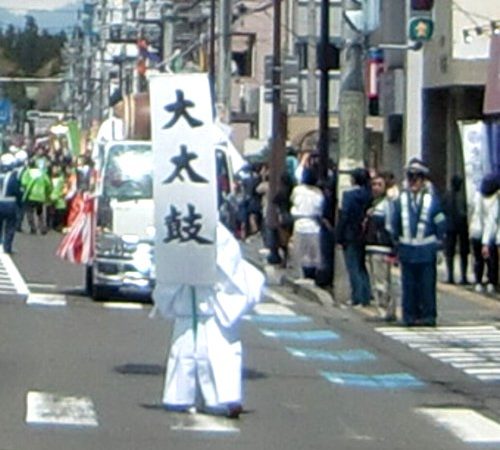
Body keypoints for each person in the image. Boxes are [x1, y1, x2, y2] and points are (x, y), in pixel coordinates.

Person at [152, 223, 265, 418]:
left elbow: (231, 266)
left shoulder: (219, 233)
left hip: (215, 303)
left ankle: (223, 399)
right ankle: (180, 397)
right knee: (184, 351)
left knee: (218, 354)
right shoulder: (177, 228)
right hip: (189, 300)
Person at [391, 158, 446, 326]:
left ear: (423, 181)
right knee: (408, 286)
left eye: (418, 178)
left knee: (427, 286)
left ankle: (428, 316)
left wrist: (440, 247)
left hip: (426, 250)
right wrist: (396, 246)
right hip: (407, 250)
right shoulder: (400, 201)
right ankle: (409, 316)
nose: (414, 182)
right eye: (411, 178)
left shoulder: (433, 201)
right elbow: (395, 224)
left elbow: (440, 224)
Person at [336, 167, 372, 306]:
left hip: (350, 234)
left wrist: (339, 235)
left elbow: (344, 216)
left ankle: (357, 296)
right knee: (362, 265)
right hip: (365, 234)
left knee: (353, 266)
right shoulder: (369, 195)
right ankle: (366, 295)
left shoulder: (349, 196)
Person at [364, 174, 396, 321]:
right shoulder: (375, 203)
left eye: (379, 185)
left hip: (381, 247)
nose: (375, 187)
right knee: (380, 280)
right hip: (373, 246)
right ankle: (386, 310)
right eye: (374, 184)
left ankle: (384, 311)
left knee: (382, 281)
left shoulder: (385, 205)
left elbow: (390, 227)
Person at [290, 168, 324, 279]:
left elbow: (292, 201)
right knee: (313, 253)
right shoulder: (319, 192)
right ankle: (312, 274)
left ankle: (305, 273)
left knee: (301, 251)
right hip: (314, 224)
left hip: (299, 222)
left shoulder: (297, 190)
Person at [469, 173, 499, 294]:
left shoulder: (477, 196)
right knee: (491, 260)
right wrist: (485, 243)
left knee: (478, 259)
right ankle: (491, 282)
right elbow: (491, 222)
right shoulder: (494, 201)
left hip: (475, 232)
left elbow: (473, 213)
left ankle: (478, 282)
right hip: (487, 235)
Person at [442, 174, 470, 285]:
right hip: (459, 227)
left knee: (452, 252)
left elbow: (441, 211)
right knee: (460, 252)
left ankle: (452, 276)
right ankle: (461, 276)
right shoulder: (461, 196)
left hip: (451, 227)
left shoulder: (446, 196)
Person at [0, 153, 22, 254]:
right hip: (10, 204)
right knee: (10, 226)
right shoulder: (12, 177)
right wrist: (20, 204)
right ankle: (7, 247)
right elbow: (17, 191)